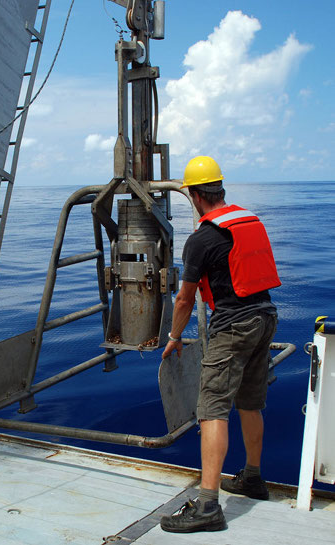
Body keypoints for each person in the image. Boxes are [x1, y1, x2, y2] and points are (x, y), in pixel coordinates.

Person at [160, 156, 280, 533]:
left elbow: (184, 299)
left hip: (232, 327)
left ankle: (209, 504)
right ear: (220, 189)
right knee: (250, 401)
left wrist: (174, 337)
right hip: (265, 318)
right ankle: (253, 478)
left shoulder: (202, 238)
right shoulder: (251, 221)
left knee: (211, 407)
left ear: (195, 195)